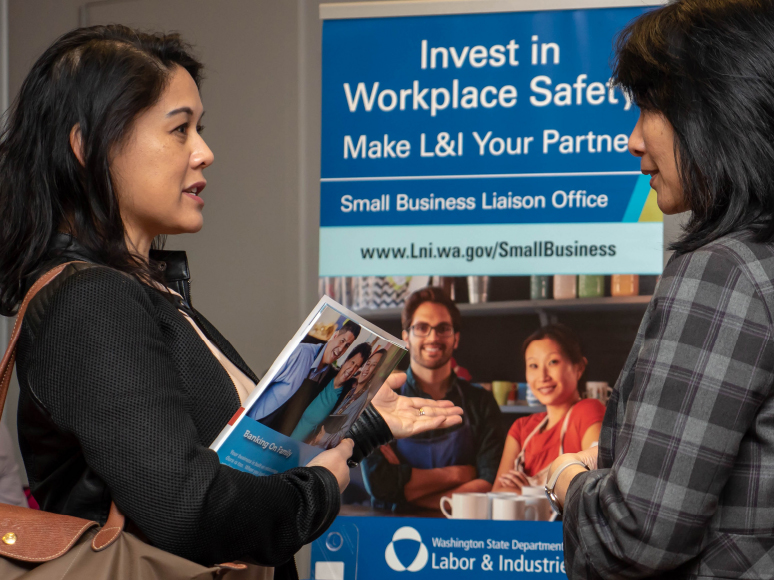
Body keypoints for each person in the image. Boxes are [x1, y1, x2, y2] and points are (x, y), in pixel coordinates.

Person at [0, 26, 462, 579]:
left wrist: (356, 427)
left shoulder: (143, 290)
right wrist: (321, 489)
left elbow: (241, 462)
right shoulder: (90, 302)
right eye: (179, 131)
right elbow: (190, 508)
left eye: (201, 129)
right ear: (87, 146)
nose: (205, 153)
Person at [543, 1, 774, 577]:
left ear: (719, 111)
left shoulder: (724, 274)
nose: (632, 139)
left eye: (651, 107)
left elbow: (637, 536)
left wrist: (567, 481)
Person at [363, 287, 505, 511]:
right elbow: (381, 485)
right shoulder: (381, 399)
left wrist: (407, 493)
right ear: (406, 337)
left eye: (443, 328)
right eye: (421, 328)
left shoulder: (482, 403)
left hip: (460, 536)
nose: (433, 337)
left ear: (455, 338)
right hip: (390, 533)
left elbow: (489, 483)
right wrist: (459, 474)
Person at [492, 324, 604, 491]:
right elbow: (496, 495)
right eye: (533, 366)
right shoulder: (521, 428)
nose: (542, 376)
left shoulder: (588, 411)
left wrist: (526, 492)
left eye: (553, 362)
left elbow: (593, 490)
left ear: (579, 367)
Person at [247, 319, 361, 423]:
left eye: (347, 346)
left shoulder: (327, 373)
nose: (341, 349)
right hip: (257, 420)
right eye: (342, 341)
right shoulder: (301, 352)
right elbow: (261, 384)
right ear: (334, 336)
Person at [290, 342, 372, 442]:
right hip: (288, 429)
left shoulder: (346, 393)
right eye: (352, 362)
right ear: (346, 361)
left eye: (356, 367)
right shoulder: (326, 373)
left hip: (307, 443)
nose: (352, 369)